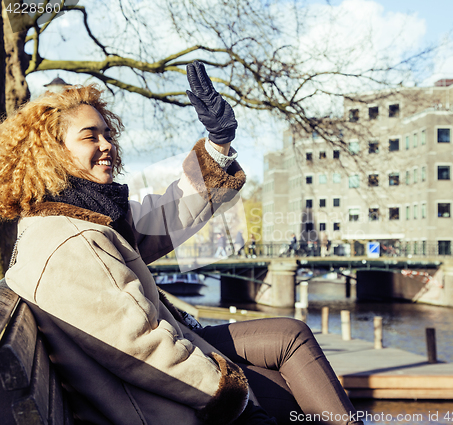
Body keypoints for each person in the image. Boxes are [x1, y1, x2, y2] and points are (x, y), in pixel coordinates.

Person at [1, 62, 363, 425]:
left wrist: (218, 143)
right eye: (90, 136)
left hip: (160, 382)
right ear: (52, 153)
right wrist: (238, 402)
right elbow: (141, 347)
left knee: (289, 337)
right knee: (285, 362)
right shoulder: (73, 240)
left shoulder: (82, 215)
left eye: (108, 133)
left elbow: (166, 216)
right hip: (158, 407)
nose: (107, 144)